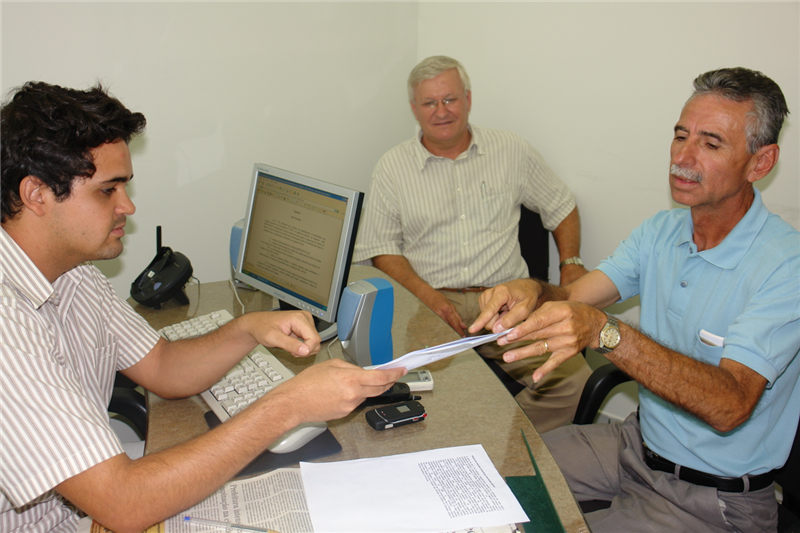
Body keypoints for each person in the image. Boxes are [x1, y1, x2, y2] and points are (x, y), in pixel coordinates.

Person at [0, 81, 406, 533]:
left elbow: (162, 366)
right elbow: (124, 504)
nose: (128, 206)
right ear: (36, 194)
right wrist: (288, 406)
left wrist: (248, 328)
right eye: (106, 191)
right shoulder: (6, 323)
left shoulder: (73, 272)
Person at [472, 67, 799, 532]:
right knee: (483, 477)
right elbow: (572, 298)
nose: (683, 158)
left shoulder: (786, 266)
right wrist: (532, 290)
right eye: (681, 136)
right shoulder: (662, 231)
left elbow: (731, 406)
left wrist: (605, 332)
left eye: (710, 144)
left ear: (760, 163)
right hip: (632, 446)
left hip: (712, 498)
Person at [354, 55, 591, 432]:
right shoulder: (392, 167)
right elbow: (383, 249)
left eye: (449, 99)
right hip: (429, 304)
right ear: (415, 108)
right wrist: (427, 298)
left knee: (574, 387)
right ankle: (469, 441)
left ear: (467, 98)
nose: (441, 111)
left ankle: (500, 442)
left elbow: (561, 207)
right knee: (412, 393)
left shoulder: (511, 150)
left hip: (506, 302)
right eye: (430, 102)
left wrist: (571, 262)